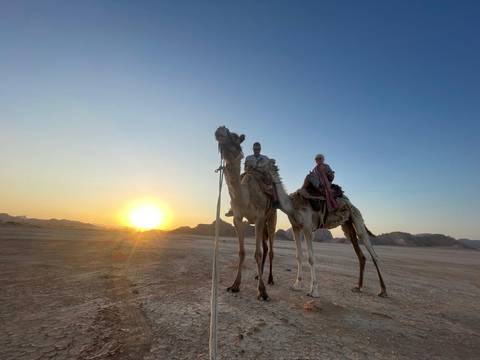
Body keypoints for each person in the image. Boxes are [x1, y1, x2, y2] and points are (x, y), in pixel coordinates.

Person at [225, 142, 278, 217]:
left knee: (273, 183)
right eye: (255, 149)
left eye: (258, 149)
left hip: (261, 175)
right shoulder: (249, 158)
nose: (257, 150)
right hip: (250, 173)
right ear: (253, 149)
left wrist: (271, 162)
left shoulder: (265, 158)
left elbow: (271, 164)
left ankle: (276, 202)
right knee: (237, 184)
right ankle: (233, 207)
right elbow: (245, 168)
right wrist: (249, 168)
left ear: (260, 149)